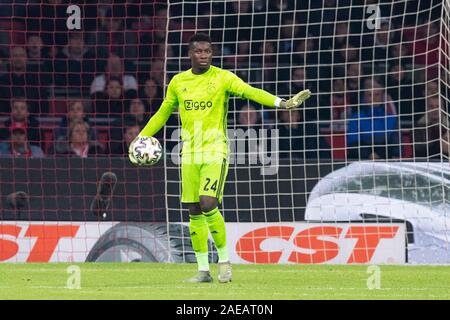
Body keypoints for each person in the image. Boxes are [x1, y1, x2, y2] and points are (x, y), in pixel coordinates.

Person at [128, 33, 311, 283]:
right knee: (193, 210)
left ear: (212, 54)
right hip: (188, 153)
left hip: (215, 150)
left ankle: (224, 262)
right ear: (189, 54)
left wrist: (282, 103)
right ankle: (203, 270)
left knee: (207, 203)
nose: (203, 55)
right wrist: (141, 137)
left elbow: (250, 91)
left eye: (207, 52)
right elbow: (162, 113)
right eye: (199, 51)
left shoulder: (223, 78)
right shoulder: (178, 82)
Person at [347, 79, 400, 160]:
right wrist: (369, 154)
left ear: (382, 97)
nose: (374, 98)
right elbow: (352, 143)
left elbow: (396, 147)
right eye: (370, 95)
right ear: (364, 97)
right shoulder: (355, 118)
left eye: (377, 95)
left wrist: (379, 154)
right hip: (360, 161)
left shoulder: (391, 119)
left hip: (386, 161)